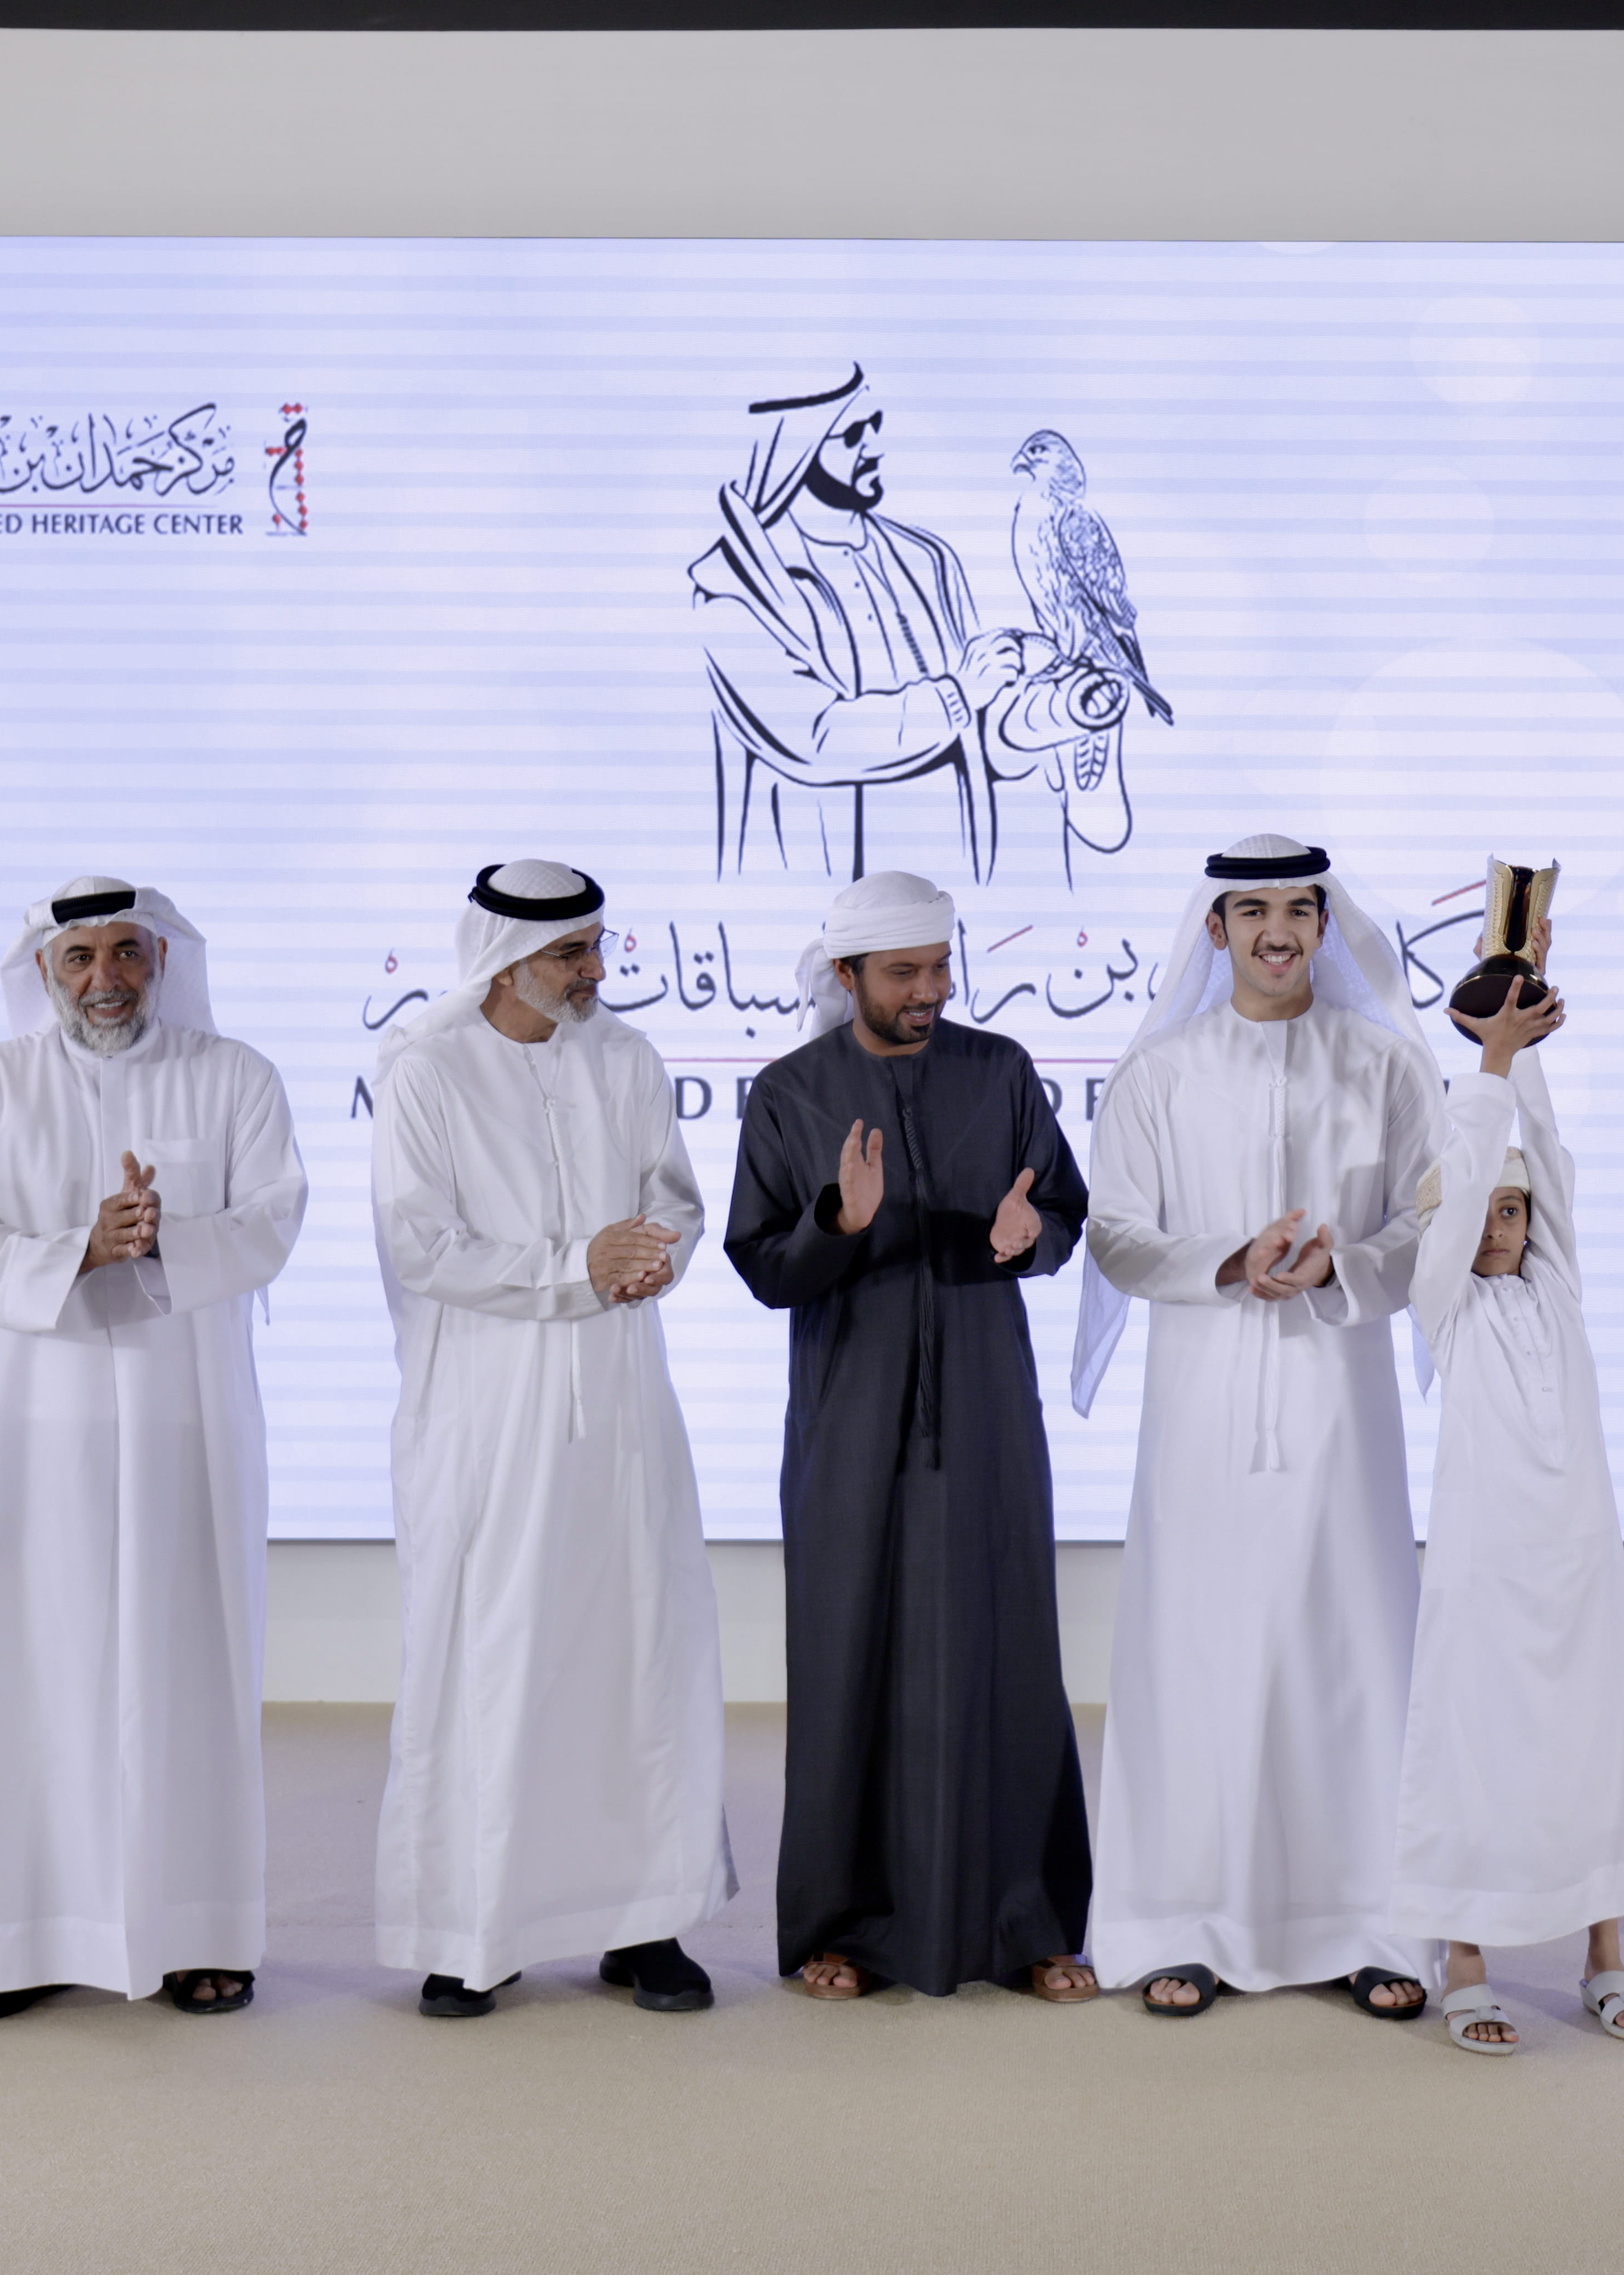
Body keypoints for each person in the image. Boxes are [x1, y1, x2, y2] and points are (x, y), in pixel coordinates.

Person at [0, 879, 307, 2023]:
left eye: (127, 953)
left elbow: (274, 1219)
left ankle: (199, 1931)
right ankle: (18, 1933)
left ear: (162, 961)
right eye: (80, 956)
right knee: (33, 1664)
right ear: (44, 970)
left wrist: (163, 1237)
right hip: (36, 1433)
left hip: (189, 1423)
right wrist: (77, 1249)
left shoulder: (233, 1075)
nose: (106, 979)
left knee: (190, 1666)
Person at [1071, 835, 1446, 2020]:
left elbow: (1426, 1228)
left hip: (1341, 1404)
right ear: (1214, 928)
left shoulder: (1386, 1066)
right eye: (1251, 911)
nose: (1276, 931)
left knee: (1350, 1647)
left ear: (1324, 927)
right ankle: (1182, 1923)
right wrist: (1228, 1260)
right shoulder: (1159, 1072)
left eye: (1297, 909)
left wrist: (1343, 1264)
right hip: (1199, 1412)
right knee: (1199, 1651)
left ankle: (1372, 1925)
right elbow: (1115, 1235)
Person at [369, 861, 735, 2021]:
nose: (594, 970)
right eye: (571, 952)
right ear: (504, 959)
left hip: (618, 1397)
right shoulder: (425, 1070)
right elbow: (420, 1245)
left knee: (635, 1643)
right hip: (487, 1410)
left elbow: (673, 1198)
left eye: (595, 946)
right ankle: (472, 1929)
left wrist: (654, 1253)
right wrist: (574, 1265)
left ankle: (642, 1920)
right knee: (491, 1653)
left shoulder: (625, 1058)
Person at [723, 869, 1097, 2002]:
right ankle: (842, 1925)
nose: (930, 989)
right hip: (849, 1415)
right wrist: (838, 1220)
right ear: (846, 975)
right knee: (849, 1655)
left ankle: (1028, 1920)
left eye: (939, 965)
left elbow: (1061, 1210)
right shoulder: (790, 1093)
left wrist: (1032, 1237)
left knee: (1007, 1654)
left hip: (986, 1410)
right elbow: (764, 1266)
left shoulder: (1000, 1070)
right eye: (903, 972)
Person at [1391, 954, 1624, 2055]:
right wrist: (1488, 1065)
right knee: (1478, 1749)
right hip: (1485, 1576)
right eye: (1480, 1212)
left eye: (1512, 1212)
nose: (1497, 1227)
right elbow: (1471, 1173)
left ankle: (1603, 1955)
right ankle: (1463, 1960)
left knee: (1590, 1744)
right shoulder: (1446, 1309)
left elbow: (1544, 1160)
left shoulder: (1554, 1289)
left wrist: (1525, 1053)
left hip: (1578, 1570)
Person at [691, 367, 1033, 881]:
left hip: (948, 897)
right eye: (852, 434)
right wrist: (959, 693)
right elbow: (817, 737)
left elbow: (983, 739)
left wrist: (1050, 712)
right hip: (816, 899)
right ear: (792, 449)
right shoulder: (735, 586)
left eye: (875, 424)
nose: (875, 446)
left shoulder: (927, 560)